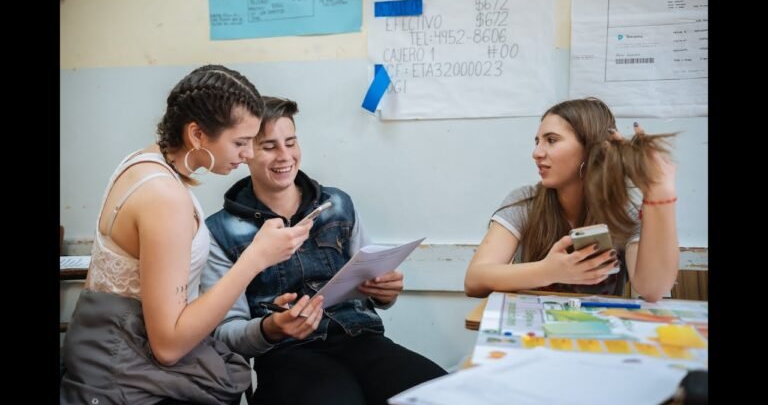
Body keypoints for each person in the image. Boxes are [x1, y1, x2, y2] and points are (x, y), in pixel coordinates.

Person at [60, 65, 313, 405]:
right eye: (240, 142)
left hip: (101, 343)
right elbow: (168, 347)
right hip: (122, 368)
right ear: (197, 135)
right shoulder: (165, 199)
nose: (248, 154)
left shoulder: (142, 161)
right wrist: (254, 259)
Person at [202, 96, 447, 405]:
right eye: (269, 146)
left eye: (290, 142)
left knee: (443, 393)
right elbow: (226, 334)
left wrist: (385, 292)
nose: (284, 156)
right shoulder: (219, 232)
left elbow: (374, 286)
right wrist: (271, 328)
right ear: (246, 152)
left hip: (360, 338)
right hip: (288, 355)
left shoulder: (339, 204)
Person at [464, 97, 679, 302]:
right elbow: (474, 280)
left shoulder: (624, 213)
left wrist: (660, 193)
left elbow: (652, 290)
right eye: (537, 141)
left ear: (590, 148)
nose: (536, 153)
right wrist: (548, 271)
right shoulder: (525, 202)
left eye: (551, 140)